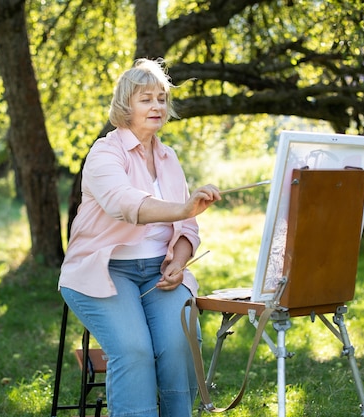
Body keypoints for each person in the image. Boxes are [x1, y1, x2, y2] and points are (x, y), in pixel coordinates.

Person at [58, 58, 221, 417]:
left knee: (180, 343)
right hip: (104, 271)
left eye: (161, 98)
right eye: (146, 99)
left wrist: (178, 262)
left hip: (158, 273)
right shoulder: (105, 152)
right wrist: (183, 208)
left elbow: (186, 229)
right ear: (125, 106)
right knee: (133, 350)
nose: (157, 106)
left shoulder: (168, 157)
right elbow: (123, 203)